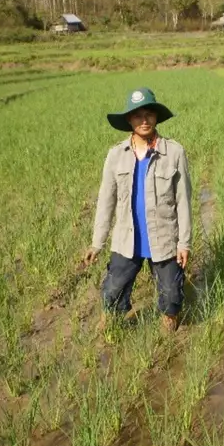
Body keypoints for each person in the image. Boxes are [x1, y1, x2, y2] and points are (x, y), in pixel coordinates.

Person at [84, 86, 193, 332]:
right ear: (129, 120)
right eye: (137, 115)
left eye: (149, 114)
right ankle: (108, 329)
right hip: (126, 239)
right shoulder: (115, 155)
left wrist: (184, 243)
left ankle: (169, 327)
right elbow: (106, 201)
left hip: (164, 238)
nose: (144, 120)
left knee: (172, 296)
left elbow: (184, 201)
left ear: (156, 117)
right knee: (112, 291)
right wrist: (96, 243)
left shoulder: (173, 152)